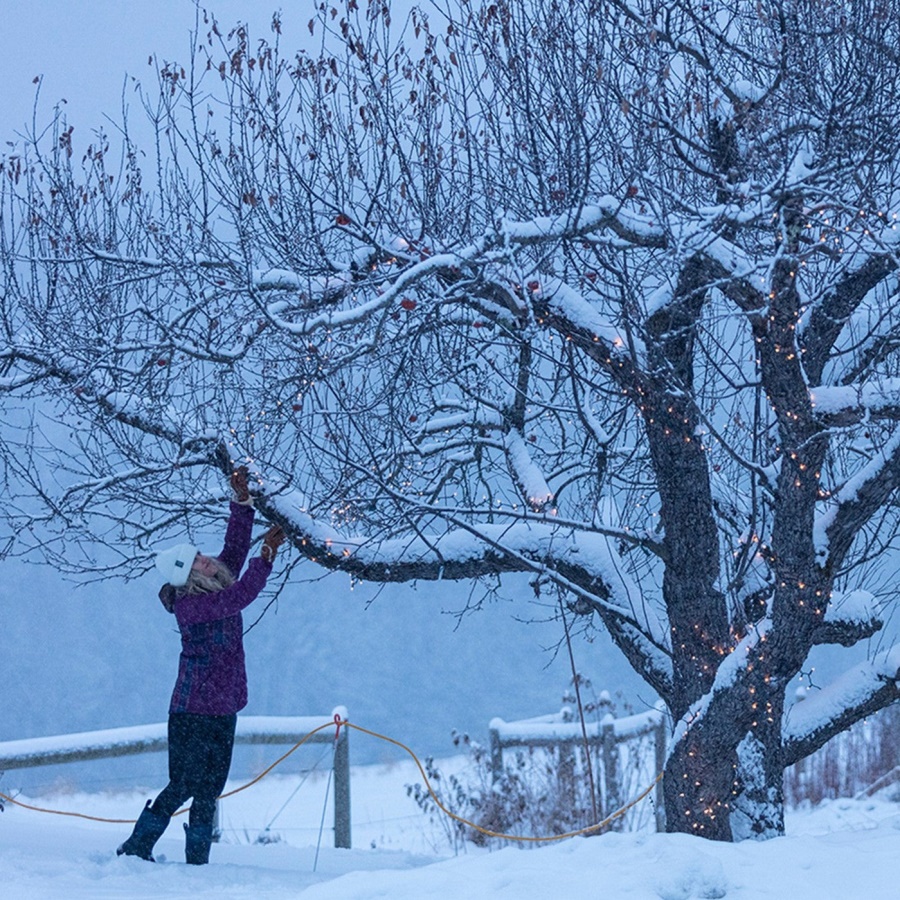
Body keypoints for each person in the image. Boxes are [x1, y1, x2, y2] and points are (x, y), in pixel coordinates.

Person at [117, 466, 285, 865]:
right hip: (192, 709)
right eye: (197, 562)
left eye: (200, 556)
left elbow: (235, 548)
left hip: (223, 705)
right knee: (184, 784)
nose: (206, 560)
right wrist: (266, 557)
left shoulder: (216, 580)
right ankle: (137, 846)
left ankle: (198, 863)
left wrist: (241, 501)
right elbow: (241, 596)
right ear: (187, 577)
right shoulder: (191, 606)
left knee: (210, 789)